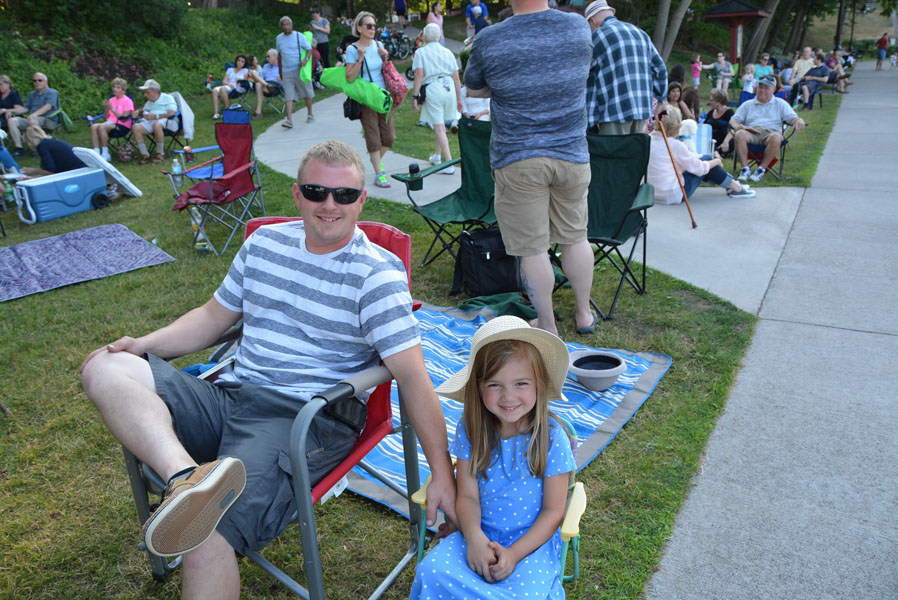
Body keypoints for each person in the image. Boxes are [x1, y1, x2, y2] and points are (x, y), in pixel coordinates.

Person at [80, 139, 458, 600]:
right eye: (316, 191)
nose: (329, 205)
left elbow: (413, 378)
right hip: (231, 394)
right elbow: (212, 318)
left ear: (361, 200)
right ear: (297, 194)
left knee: (204, 530)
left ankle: (198, 499)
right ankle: (186, 479)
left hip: (302, 419)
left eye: (343, 194)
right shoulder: (264, 243)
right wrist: (142, 346)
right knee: (105, 366)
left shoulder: (376, 274)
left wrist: (443, 473)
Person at [409, 315, 576, 598]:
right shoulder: (471, 429)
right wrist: (474, 538)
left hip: (530, 545)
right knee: (431, 572)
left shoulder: (552, 438)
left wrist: (514, 554)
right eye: (495, 385)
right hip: (477, 532)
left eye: (521, 383)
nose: (508, 396)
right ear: (478, 387)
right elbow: (468, 497)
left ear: (538, 384)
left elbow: (552, 512)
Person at [466, 0, 596, 336]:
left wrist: (507, 83)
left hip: (518, 157)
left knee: (532, 249)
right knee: (575, 237)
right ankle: (584, 315)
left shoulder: (489, 38)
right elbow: (583, 71)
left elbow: (474, 88)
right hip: (572, 154)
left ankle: (548, 325)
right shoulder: (578, 26)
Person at [585, 0, 667, 135]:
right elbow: (660, 69)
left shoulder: (598, 36)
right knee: (633, 148)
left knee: (611, 149)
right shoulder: (640, 34)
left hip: (614, 112)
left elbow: (582, 71)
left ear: (593, 21)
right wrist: (661, 101)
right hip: (641, 110)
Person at [649, 107, 754, 204]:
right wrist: (717, 161)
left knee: (705, 161)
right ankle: (736, 187)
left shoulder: (648, 140)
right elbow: (699, 169)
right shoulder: (675, 145)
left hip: (649, 194)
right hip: (672, 195)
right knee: (707, 161)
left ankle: (732, 185)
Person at [344, 11, 395, 189]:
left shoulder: (379, 45)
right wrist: (360, 58)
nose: (373, 29)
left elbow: (386, 70)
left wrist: (385, 57)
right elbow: (350, 77)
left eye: (374, 26)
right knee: (373, 138)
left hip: (382, 97)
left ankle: (372, 163)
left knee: (389, 138)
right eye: (369, 26)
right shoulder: (352, 49)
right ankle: (379, 174)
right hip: (366, 98)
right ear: (359, 28)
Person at [731, 74, 806, 183]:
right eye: (760, 87)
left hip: (770, 134)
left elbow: (792, 118)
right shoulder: (748, 104)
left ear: (773, 89)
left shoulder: (780, 103)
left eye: (766, 88)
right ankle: (745, 169)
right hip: (752, 132)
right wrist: (737, 126)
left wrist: (798, 120)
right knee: (739, 134)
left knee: (777, 137)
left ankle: (761, 170)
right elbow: (733, 120)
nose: (762, 90)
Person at [413, 23, 464, 173]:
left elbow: (419, 75)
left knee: (440, 127)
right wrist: (459, 99)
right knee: (438, 123)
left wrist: (415, 96)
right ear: (440, 36)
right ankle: (437, 156)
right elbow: (456, 78)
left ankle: (448, 164)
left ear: (424, 37)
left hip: (433, 88)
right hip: (449, 88)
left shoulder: (421, 52)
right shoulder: (448, 52)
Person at [7, 72, 59, 157]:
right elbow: (25, 109)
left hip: (48, 119)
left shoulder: (52, 92)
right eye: (35, 81)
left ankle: (40, 148)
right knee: (12, 121)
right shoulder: (32, 94)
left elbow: (48, 107)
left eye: (40, 80)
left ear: (46, 82)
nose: (37, 82)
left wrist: (34, 114)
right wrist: (11, 110)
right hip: (32, 119)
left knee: (32, 119)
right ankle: (19, 149)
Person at [276, 15, 315, 128]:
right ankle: (289, 120)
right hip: (286, 70)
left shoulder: (299, 36)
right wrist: (280, 72)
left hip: (299, 69)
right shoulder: (279, 38)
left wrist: (305, 59)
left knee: (306, 92)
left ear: (291, 25)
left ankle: (310, 113)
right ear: (281, 27)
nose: (286, 27)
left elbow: (309, 49)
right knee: (288, 96)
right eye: (283, 25)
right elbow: (279, 55)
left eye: (287, 24)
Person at [131, 79, 178, 165]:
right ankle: (145, 155)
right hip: (150, 121)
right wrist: (138, 111)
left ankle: (160, 154)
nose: (145, 95)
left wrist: (156, 116)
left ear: (155, 91)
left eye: (147, 92)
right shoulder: (149, 102)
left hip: (167, 121)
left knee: (157, 124)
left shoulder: (167, 98)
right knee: (135, 127)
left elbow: (172, 112)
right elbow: (144, 110)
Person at [89, 78, 134, 161]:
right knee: (93, 127)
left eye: (118, 87)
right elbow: (106, 118)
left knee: (102, 127)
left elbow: (123, 119)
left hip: (122, 125)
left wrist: (112, 108)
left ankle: (105, 153)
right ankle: (96, 152)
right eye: (114, 87)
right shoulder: (111, 100)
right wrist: (106, 109)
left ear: (123, 90)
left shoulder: (128, 101)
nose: (115, 89)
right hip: (110, 123)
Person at [20, 125, 86, 177]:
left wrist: (33, 171)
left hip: (76, 171)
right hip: (80, 167)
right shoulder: (49, 143)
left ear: (30, 140)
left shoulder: (42, 146)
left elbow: (49, 171)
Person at [211, 54, 248, 119]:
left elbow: (247, 80)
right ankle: (216, 113)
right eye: (239, 60)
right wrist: (228, 84)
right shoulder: (230, 70)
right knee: (214, 90)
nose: (240, 62)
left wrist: (241, 79)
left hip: (237, 88)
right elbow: (224, 81)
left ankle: (227, 111)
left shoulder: (245, 70)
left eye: (242, 61)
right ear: (236, 61)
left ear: (244, 63)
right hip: (228, 86)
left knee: (223, 89)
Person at [0, 75, 26, 156]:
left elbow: (20, 109)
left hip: (8, 118)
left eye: (1, 84)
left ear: (8, 84)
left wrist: (6, 110)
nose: (0, 87)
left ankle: (19, 149)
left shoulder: (13, 95)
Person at [705, 88, 734, 154]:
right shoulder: (710, 113)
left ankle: (715, 151)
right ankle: (715, 152)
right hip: (710, 140)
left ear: (718, 101)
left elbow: (732, 129)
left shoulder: (729, 112)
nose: (709, 102)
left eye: (711, 100)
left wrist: (726, 141)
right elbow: (705, 127)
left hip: (723, 140)